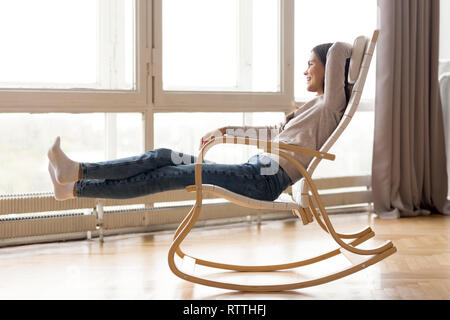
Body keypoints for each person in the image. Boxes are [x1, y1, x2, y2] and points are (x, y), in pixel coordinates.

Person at [48, 41, 352, 202]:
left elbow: (339, 49)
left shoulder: (331, 106)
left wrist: (355, 52)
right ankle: (73, 176)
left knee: (167, 175)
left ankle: (76, 184)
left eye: (311, 63)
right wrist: (226, 130)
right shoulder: (314, 106)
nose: (305, 70)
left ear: (330, 69)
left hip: (261, 179)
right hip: (255, 168)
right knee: (163, 156)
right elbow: (274, 133)